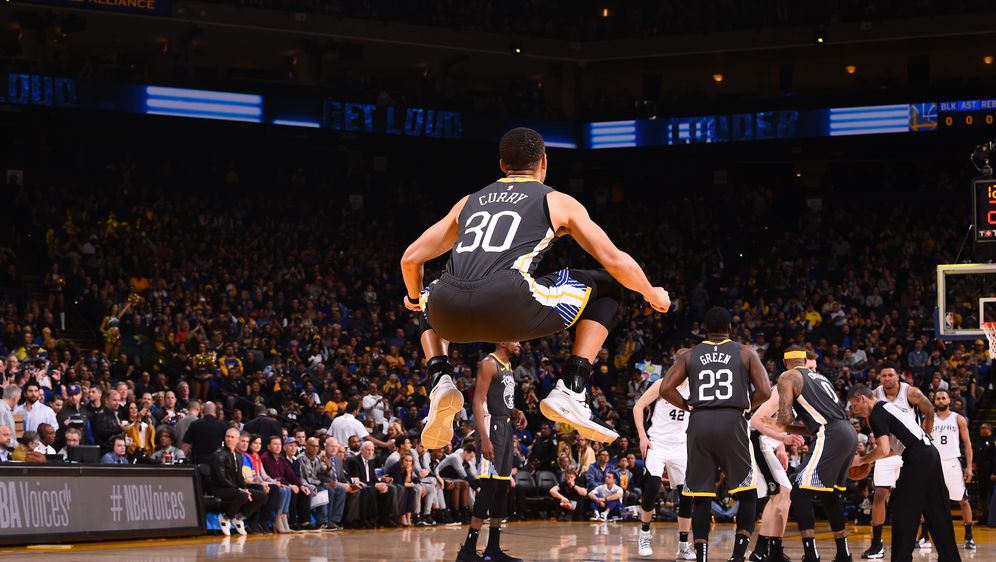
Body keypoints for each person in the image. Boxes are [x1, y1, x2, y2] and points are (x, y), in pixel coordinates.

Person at [401, 127, 671, 448]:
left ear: (502, 165)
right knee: (609, 285)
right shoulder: (557, 201)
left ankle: (441, 379)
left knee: (428, 294)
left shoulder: (468, 202)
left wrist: (414, 299)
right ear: (544, 162)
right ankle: (572, 386)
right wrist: (653, 293)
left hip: (449, 315)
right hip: (509, 302)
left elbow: (410, 259)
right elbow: (615, 260)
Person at [660, 306, 771, 562]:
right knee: (747, 493)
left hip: (699, 421)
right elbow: (765, 392)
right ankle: (737, 557)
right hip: (732, 421)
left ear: (705, 330)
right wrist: (744, 405)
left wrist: (689, 405)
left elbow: (666, 388)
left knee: (700, 496)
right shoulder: (745, 352)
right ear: (730, 328)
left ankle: (702, 557)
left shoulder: (689, 355)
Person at [758, 347, 859, 562]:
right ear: (805, 360)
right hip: (847, 431)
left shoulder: (788, 376)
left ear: (785, 364)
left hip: (830, 433)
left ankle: (810, 554)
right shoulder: (820, 378)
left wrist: (776, 424)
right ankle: (844, 553)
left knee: (798, 490)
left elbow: (784, 418)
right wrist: (789, 430)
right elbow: (813, 424)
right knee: (828, 494)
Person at [848, 384, 961, 562]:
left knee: (901, 508)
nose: (855, 411)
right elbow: (895, 448)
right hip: (930, 453)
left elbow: (883, 450)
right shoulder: (887, 407)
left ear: (862, 399)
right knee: (937, 510)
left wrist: (861, 460)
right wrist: (870, 459)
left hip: (918, 458)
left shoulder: (876, 414)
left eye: (854, 406)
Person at [456, 342, 523, 562]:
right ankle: (468, 549)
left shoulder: (508, 366)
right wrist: (484, 438)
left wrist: (517, 412)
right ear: (503, 341)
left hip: (505, 426)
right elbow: (478, 401)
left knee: (501, 486)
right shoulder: (488, 363)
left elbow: (503, 401)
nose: (519, 344)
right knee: (489, 485)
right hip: (491, 427)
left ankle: (493, 548)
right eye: (515, 340)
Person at [862, 363, 934, 559]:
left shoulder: (911, 392)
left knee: (916, 495)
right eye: (883, 375)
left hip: (909, 451)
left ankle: (924, 536)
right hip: (887, 450)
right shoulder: (874, 395)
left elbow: (929, 410)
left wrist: (925, 435)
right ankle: (877, 544)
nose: (886, 379)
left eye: (890, 375)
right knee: (879, 494)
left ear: (898, 377)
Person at [632, 363, 695, 560]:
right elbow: (638, 406)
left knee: (687, 496)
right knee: (651, 488)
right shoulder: (662, 383)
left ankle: (684, 545)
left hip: (680, 445)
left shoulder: (695, 388)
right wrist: (642, 436)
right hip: (657, 443)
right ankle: (644, 534)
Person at [746, 378, 806, 562]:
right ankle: (769, 550)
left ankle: (764, 550)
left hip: (767, 445)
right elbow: (756, 424)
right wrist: (784, 439)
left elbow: (775, 422)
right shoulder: (780, 392)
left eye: (814, 368)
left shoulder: (796, 393)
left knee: (779, 497)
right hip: (757, 442)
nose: (812, 372)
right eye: (809, 368)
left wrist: (780, 447)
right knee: (782, 494)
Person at [929, 389, 975, 550]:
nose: (941, 401)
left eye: (943, 398)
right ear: (934, 401)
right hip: (933, 464)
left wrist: (969, 467)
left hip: (953, 463)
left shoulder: (958, 419)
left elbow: (968, 444)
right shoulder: (929, 419)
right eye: (938, 398)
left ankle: (969, 536)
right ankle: (924, 536)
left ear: (949, 400)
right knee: (927, 501)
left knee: (963, 500)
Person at [210, 427, 265, 536]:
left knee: (262, 496)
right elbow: (221, 478)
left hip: (233, 488)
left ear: (237, 440)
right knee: (242, 495)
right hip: (220, 489)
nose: (229, 439)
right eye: (227, 437)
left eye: (232, 437)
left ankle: (238, 517)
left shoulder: (239, 456)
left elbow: (239, 478)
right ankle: (225, 517)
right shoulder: (219, 454)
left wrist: (244, 488)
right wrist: (239, 490)